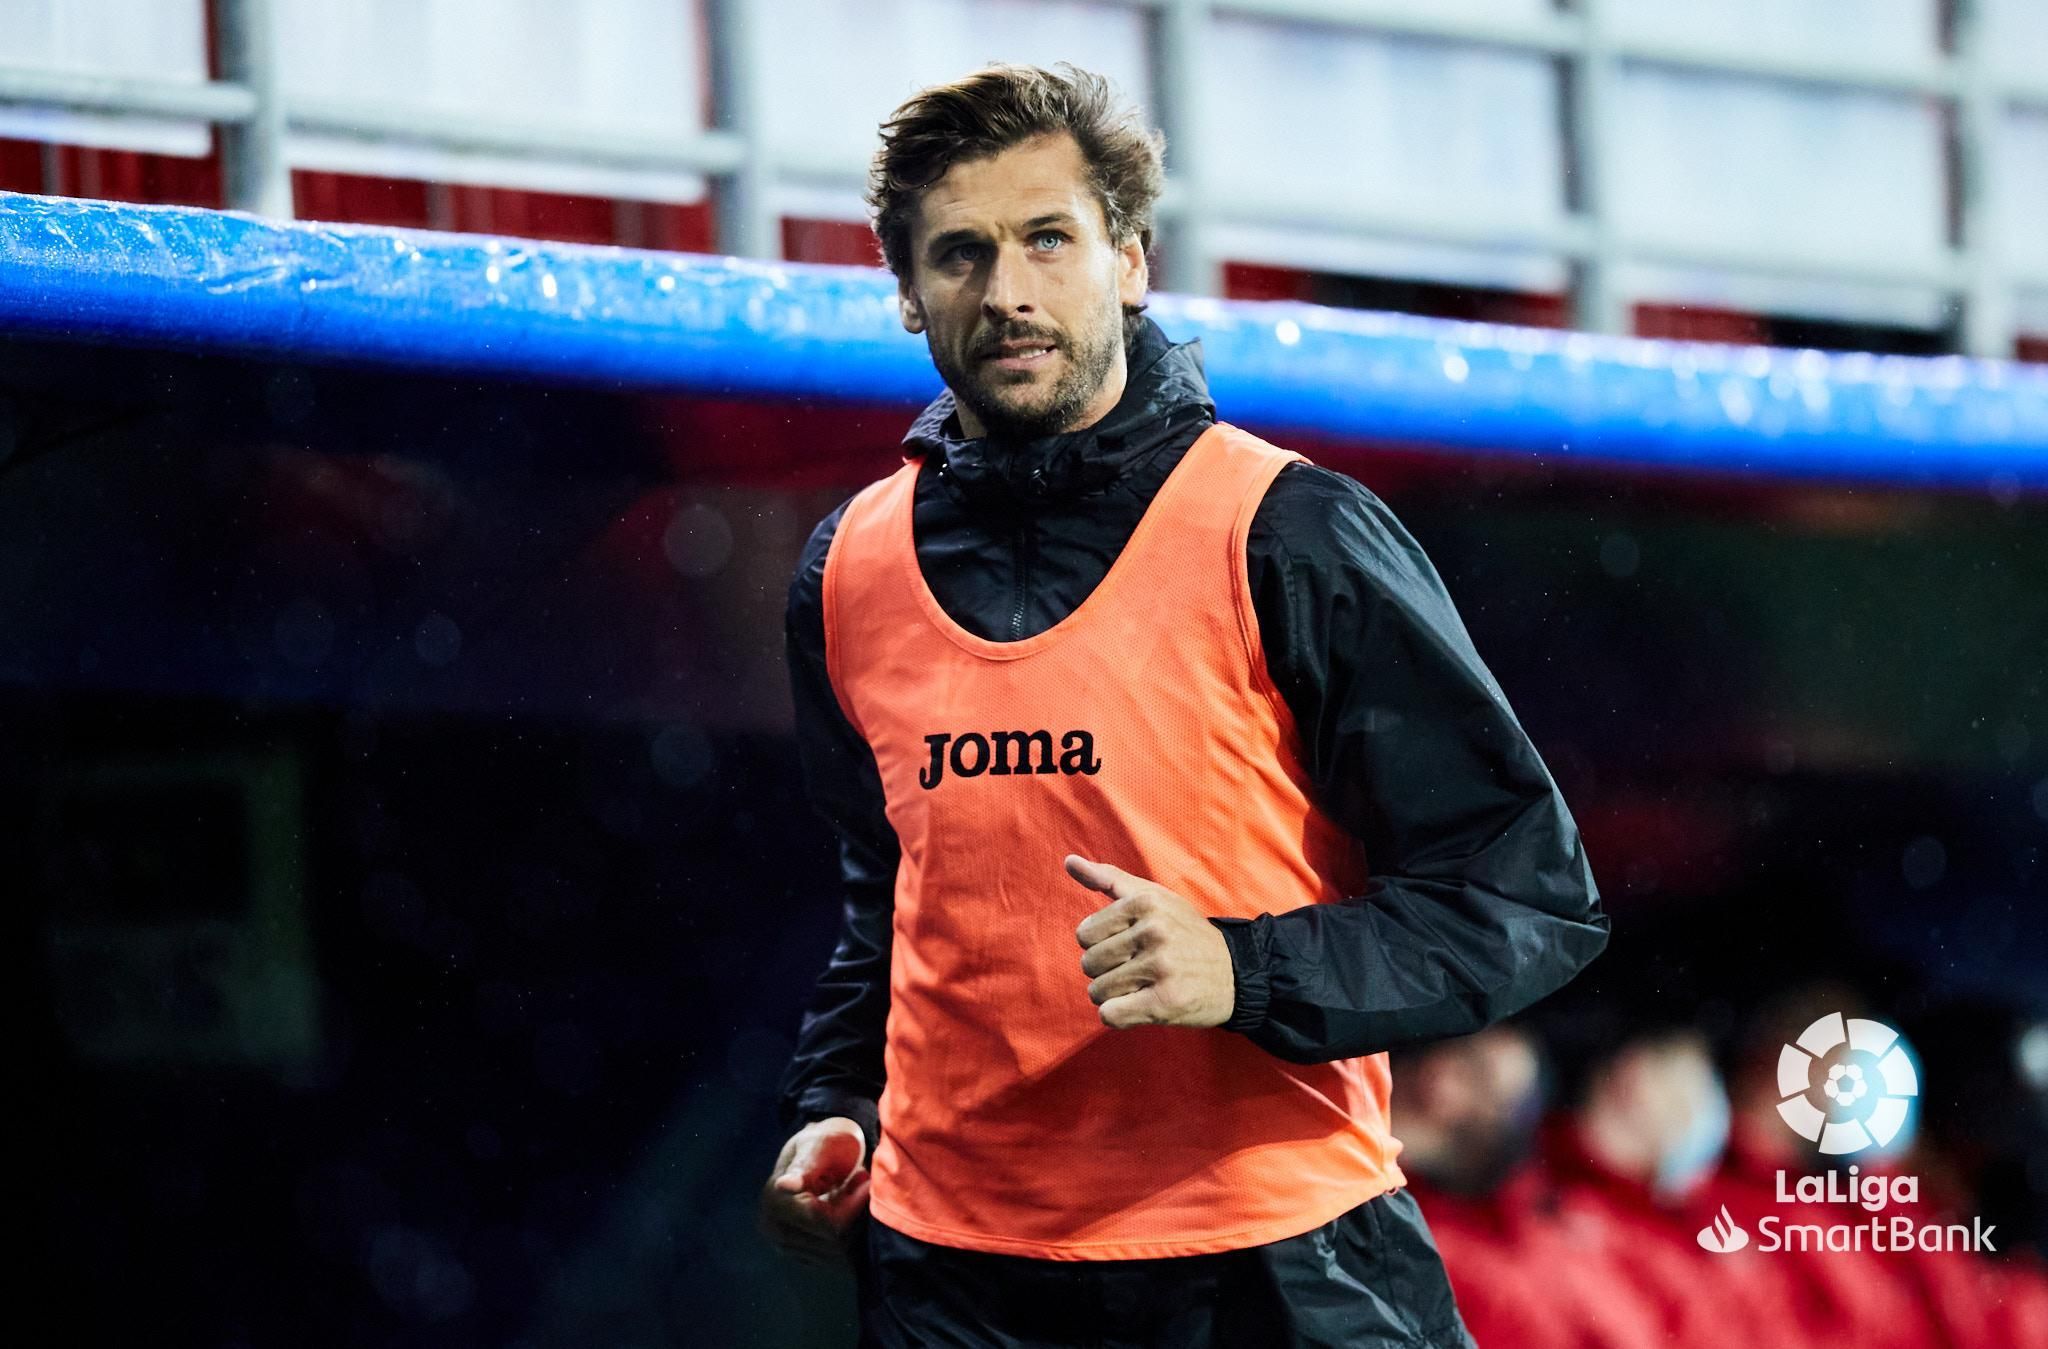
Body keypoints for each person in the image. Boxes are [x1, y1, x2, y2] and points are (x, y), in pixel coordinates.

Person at [757, 62, 1609, 1348]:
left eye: (1049, 238)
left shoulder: (1291, 533)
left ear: (1132, 259)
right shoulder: (846, 572)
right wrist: (836, 1103)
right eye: (959, 254)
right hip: (953, 1281)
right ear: (905, 293)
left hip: (1276, 1269)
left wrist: (1246, 964)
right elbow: (891, 896)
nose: (1007, 292)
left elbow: (1524, 894)